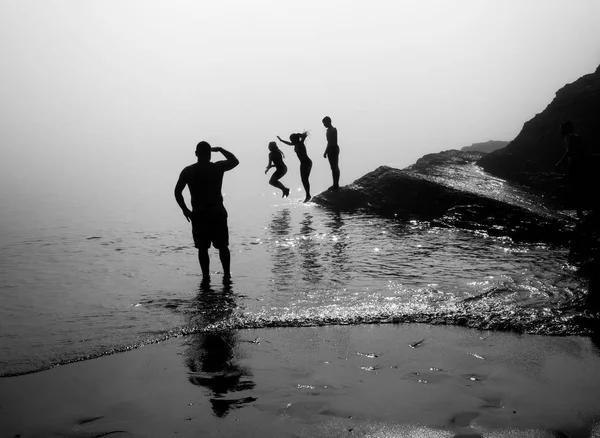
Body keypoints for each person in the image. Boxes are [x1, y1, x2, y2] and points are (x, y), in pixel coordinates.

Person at [174, 141, 239, 281]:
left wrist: (185, 210)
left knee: (203, 248)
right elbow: (235, 161)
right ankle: (227, 275)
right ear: (210, 154)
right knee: (222, 246)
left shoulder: (188, 171)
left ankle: (206, 278)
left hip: (199, 214)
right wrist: (221, 149)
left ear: (196, 154)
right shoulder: (217, 167)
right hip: (217, 212)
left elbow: (177, 192)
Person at [555, 121, 589, 220]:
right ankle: (579, 211)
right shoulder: (575, 136)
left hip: (576, 164)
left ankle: (579, 212)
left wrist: (559, 163)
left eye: (562, 128)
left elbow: (569, 152)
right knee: (578, 187)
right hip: (580, 163)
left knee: (575, 187)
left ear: (566, 129)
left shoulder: (569, 137)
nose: (560, 130)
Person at [277, 131, 312, 202]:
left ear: (295, 139)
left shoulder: (300, 144)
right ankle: (307, 195)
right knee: (304, 179)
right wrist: (281, 140)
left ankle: (308, 195)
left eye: (291, 139)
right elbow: (289, 144)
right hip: (303, 163)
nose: (291, 141)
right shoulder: (296, 144)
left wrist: (304, 137)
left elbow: (302, 140)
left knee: (305, 179)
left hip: (306, 163)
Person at [322, 116, 340, 189]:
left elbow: (333, 142)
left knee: (335, 167)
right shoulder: (328, 130)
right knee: (333, 168)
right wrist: (326, 151)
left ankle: (336, 184)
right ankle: (334, 183)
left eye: (324, 123)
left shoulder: (333, 130)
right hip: (330, 149)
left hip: (334, 149)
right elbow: (329, 142)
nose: (324, 125)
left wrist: (327, 150)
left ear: (329, 121)